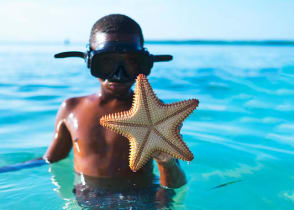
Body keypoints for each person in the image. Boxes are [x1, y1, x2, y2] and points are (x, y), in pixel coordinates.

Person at [44, 14, 187, 208]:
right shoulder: (71, 109)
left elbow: (175, 184)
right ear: (89, 61)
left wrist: (167, 161)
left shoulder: (159, 114)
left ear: (144, 64)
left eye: (132, 62)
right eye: (106, 62)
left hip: (143, 201)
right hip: (86, 200)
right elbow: (51, 161)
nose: (119, 74)